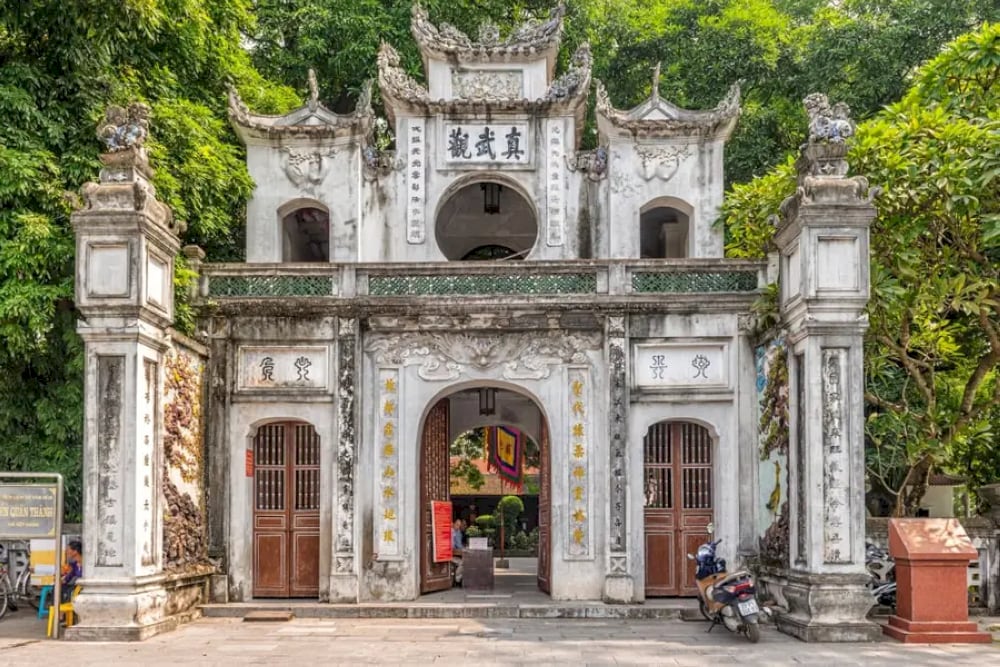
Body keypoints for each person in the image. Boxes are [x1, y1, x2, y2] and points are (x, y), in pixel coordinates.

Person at [451, 518, 464, 586]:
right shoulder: (451, 532)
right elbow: (455, 546)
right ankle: (457, 580)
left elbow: (459, 544)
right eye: (457, 525)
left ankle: (459, 578)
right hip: (448, 555)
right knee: (462, 562)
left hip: (454, 553)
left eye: (459, 525)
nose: (458, 527)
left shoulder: (457, 531)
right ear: (453, 524)